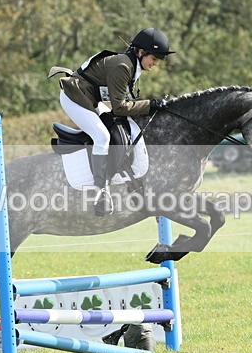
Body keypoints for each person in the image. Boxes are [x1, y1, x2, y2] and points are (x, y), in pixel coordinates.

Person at [55, 27, 175, 215]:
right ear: (141, 52)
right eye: (154, 58)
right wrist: (151, 105)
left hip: (89, 97)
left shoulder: (131, 65)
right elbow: (120, 107)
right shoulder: (123, 66)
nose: (155, 64)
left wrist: (150, 105)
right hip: (74, 97)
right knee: (102, 137)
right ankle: (100, 192)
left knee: (117, 128)